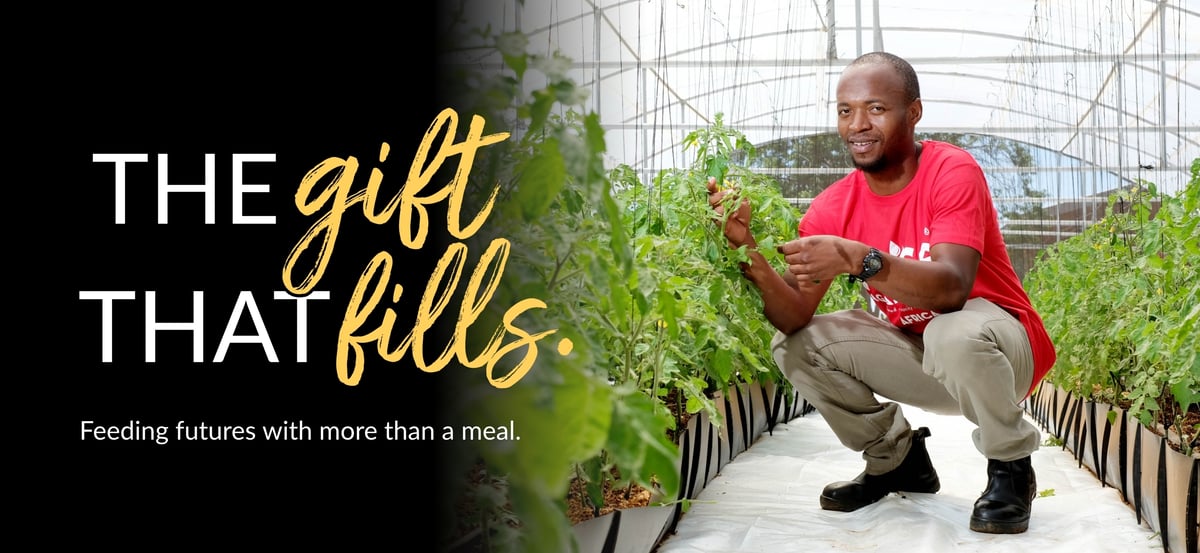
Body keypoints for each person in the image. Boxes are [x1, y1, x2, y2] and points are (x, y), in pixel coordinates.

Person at [706, 51, 1056, 535]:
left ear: (913, 112)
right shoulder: (833, 207)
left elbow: (952, 289)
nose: (858, 125)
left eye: (876, 108)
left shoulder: (951, 170)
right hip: (926, 357)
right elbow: (793, 315)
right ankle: (897, 460)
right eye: (845, 110)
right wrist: (745, 248)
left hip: (1000, 352)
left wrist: (860, 259)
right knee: (795, 344)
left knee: (951, 331)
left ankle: (1011, 467)